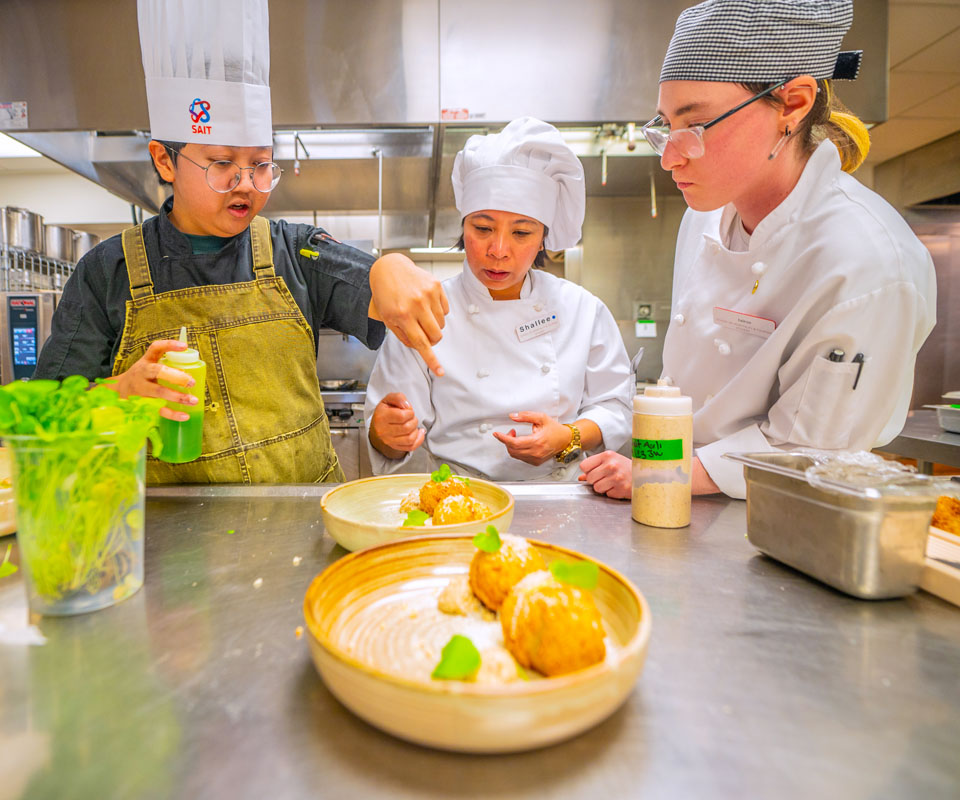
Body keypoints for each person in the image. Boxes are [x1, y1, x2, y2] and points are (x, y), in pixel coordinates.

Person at [33, 0, 447, 484]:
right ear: (165, 162)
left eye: (261, 164)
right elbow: (45, 422)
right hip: (173, 542)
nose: (246, 183)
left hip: (304, 527)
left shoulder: (295, 252)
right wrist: (118, 393)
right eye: (222, 164)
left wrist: (389, 268)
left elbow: (372, 281)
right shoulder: (107, 271)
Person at [581, 0, 936, 500]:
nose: (670, 156)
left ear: (792, 104)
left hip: (781, 516)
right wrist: (655, 468)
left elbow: (812, 450)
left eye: (696, 126)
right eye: (664, 126)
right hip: (679, 505)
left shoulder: (866, 261)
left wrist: (670, 475)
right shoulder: (703, 215)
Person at [365, 118, 632, 481]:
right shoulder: (423, 309)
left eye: (521, 232)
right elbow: (391, 443)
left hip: (562, 499)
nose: (499, 250)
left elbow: (617, 406)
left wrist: (568, 437)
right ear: (463, 227)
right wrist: (386, 433)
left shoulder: (581, 309)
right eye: (483, 228)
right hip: (459, 501)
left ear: (543, 239)